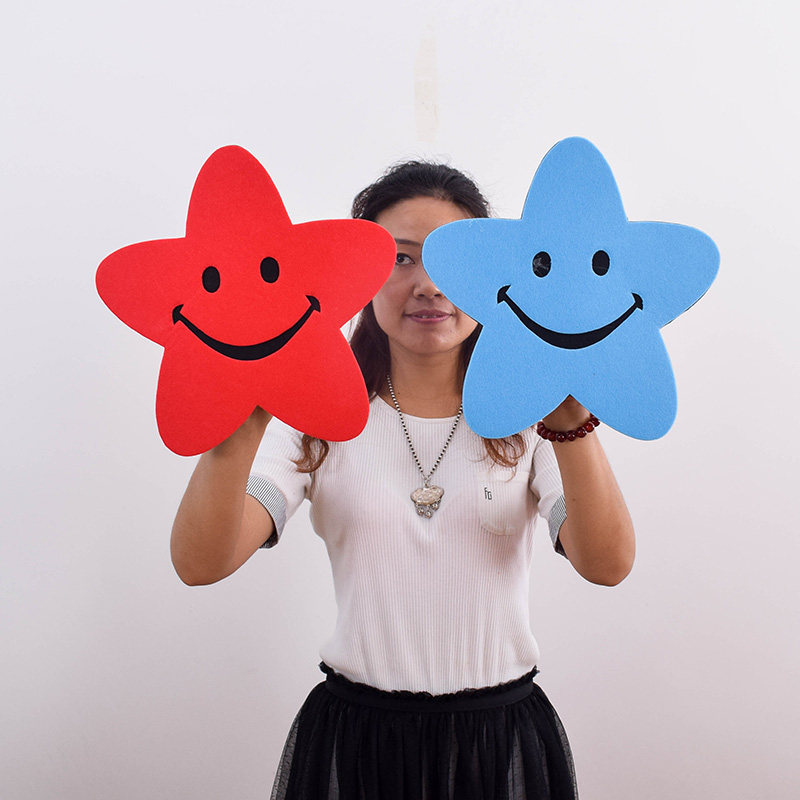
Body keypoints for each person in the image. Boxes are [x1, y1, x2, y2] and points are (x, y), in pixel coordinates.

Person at [171, 161, 635, 800]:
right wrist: (239, 424)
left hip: (498, 731)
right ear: (359, 276)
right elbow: (201, 563)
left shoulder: (532, 415)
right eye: (401, 259)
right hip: (357, 734)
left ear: (489, 277)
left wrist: (573, 424)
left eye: (450, 262)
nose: (428, 286)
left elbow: (607, 565)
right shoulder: (316, 417)